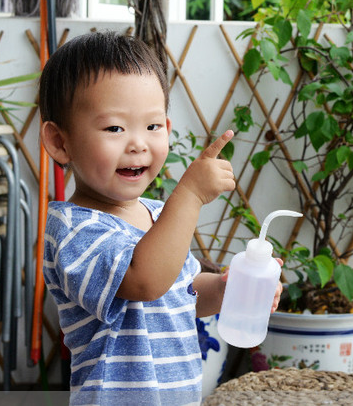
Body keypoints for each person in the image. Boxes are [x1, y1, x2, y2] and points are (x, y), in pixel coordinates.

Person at [38, 31, 282, 405]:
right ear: (59, 142)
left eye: (152, 127)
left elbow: (181, 292)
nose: (138, 143)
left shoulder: (157, 214)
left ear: (166, 130)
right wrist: (190, 194)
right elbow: (144, 280)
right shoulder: (73, 230)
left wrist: (229, 289)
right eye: (114, 128)